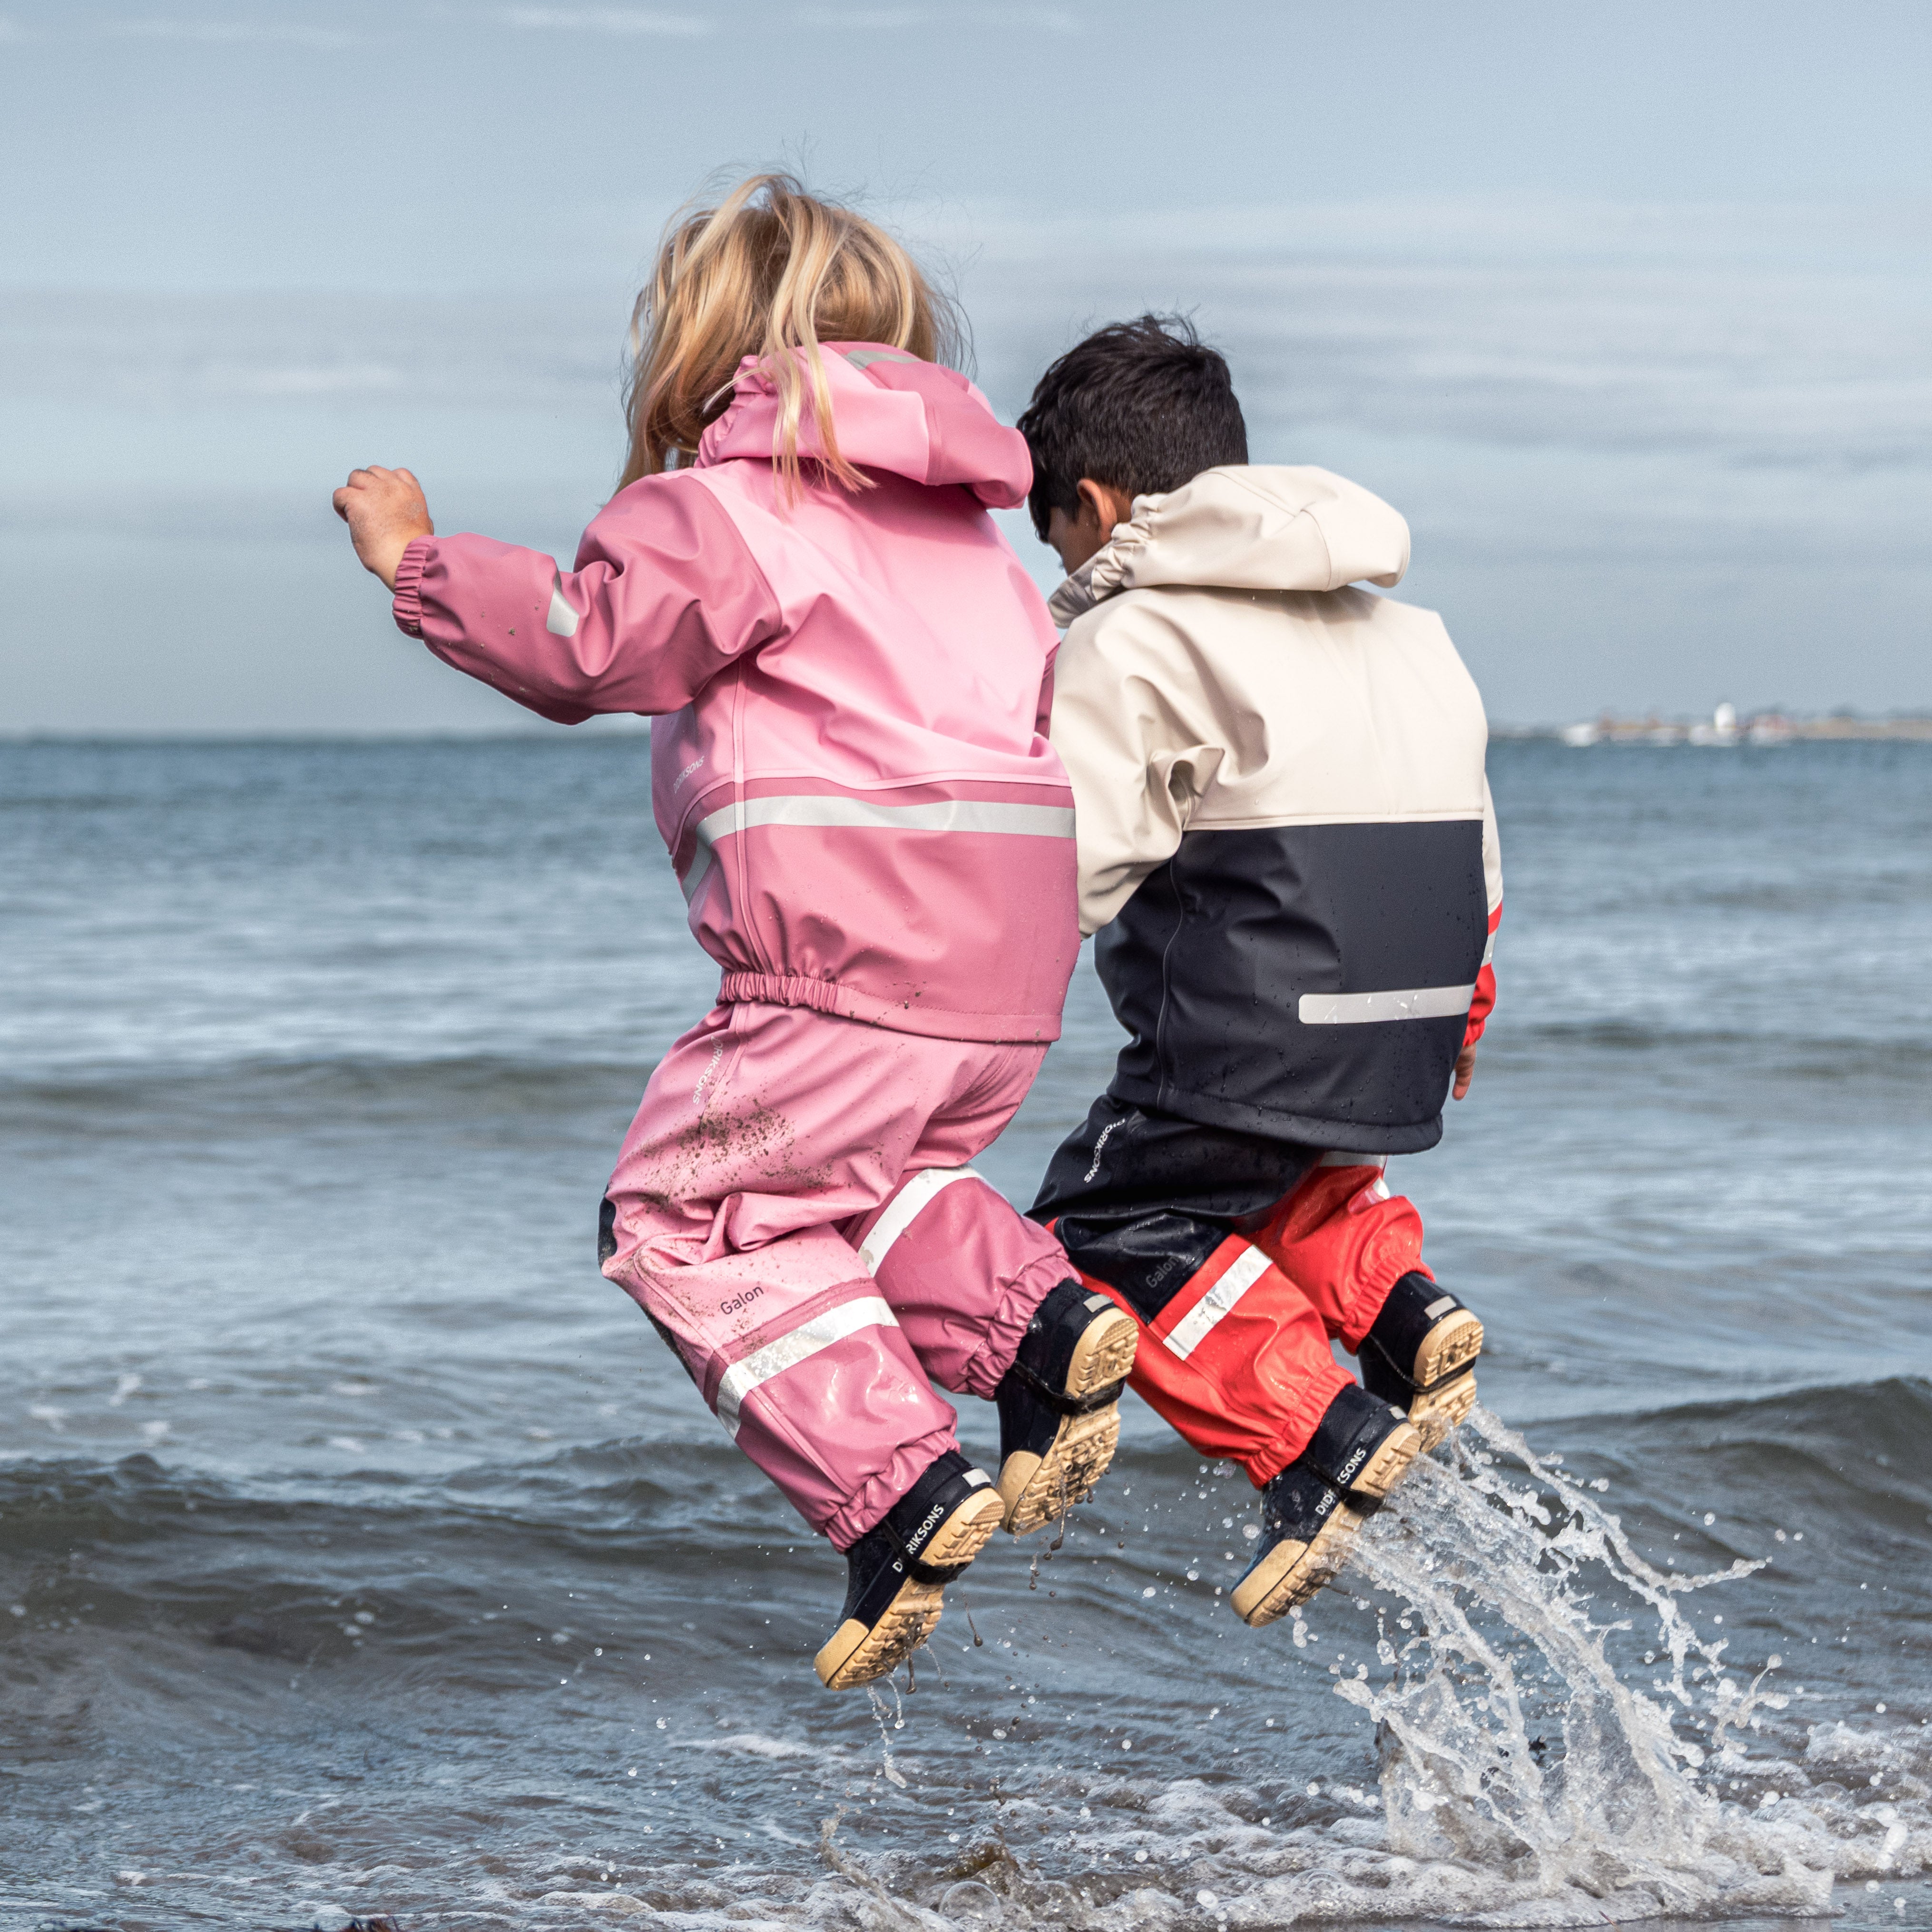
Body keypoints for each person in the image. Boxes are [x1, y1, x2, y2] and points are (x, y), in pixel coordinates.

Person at [329, 176, 1136, 1690]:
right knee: (857, 1188)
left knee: (674, 1210)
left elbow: (588, 644)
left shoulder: (734, 503)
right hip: (1010, 972)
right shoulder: (976, 541)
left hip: (845, 965)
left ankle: (895, 1482)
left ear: (700, 347)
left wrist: (416, 563)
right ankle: (1038, 1331)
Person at [1019, 316, 1500, 1627]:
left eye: (1052, 533)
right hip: (1410, 1019)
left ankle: (1314, 1436)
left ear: (1100, 505)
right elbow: (1478, 848)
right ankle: (1402, 1312)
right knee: (1290, 1174)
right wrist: (1467, 1005)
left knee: (1098, 1228)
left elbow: (1066, 868)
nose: (1060, 564)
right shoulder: (1417, 634)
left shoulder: (1133, 636)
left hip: (1256, 1031)